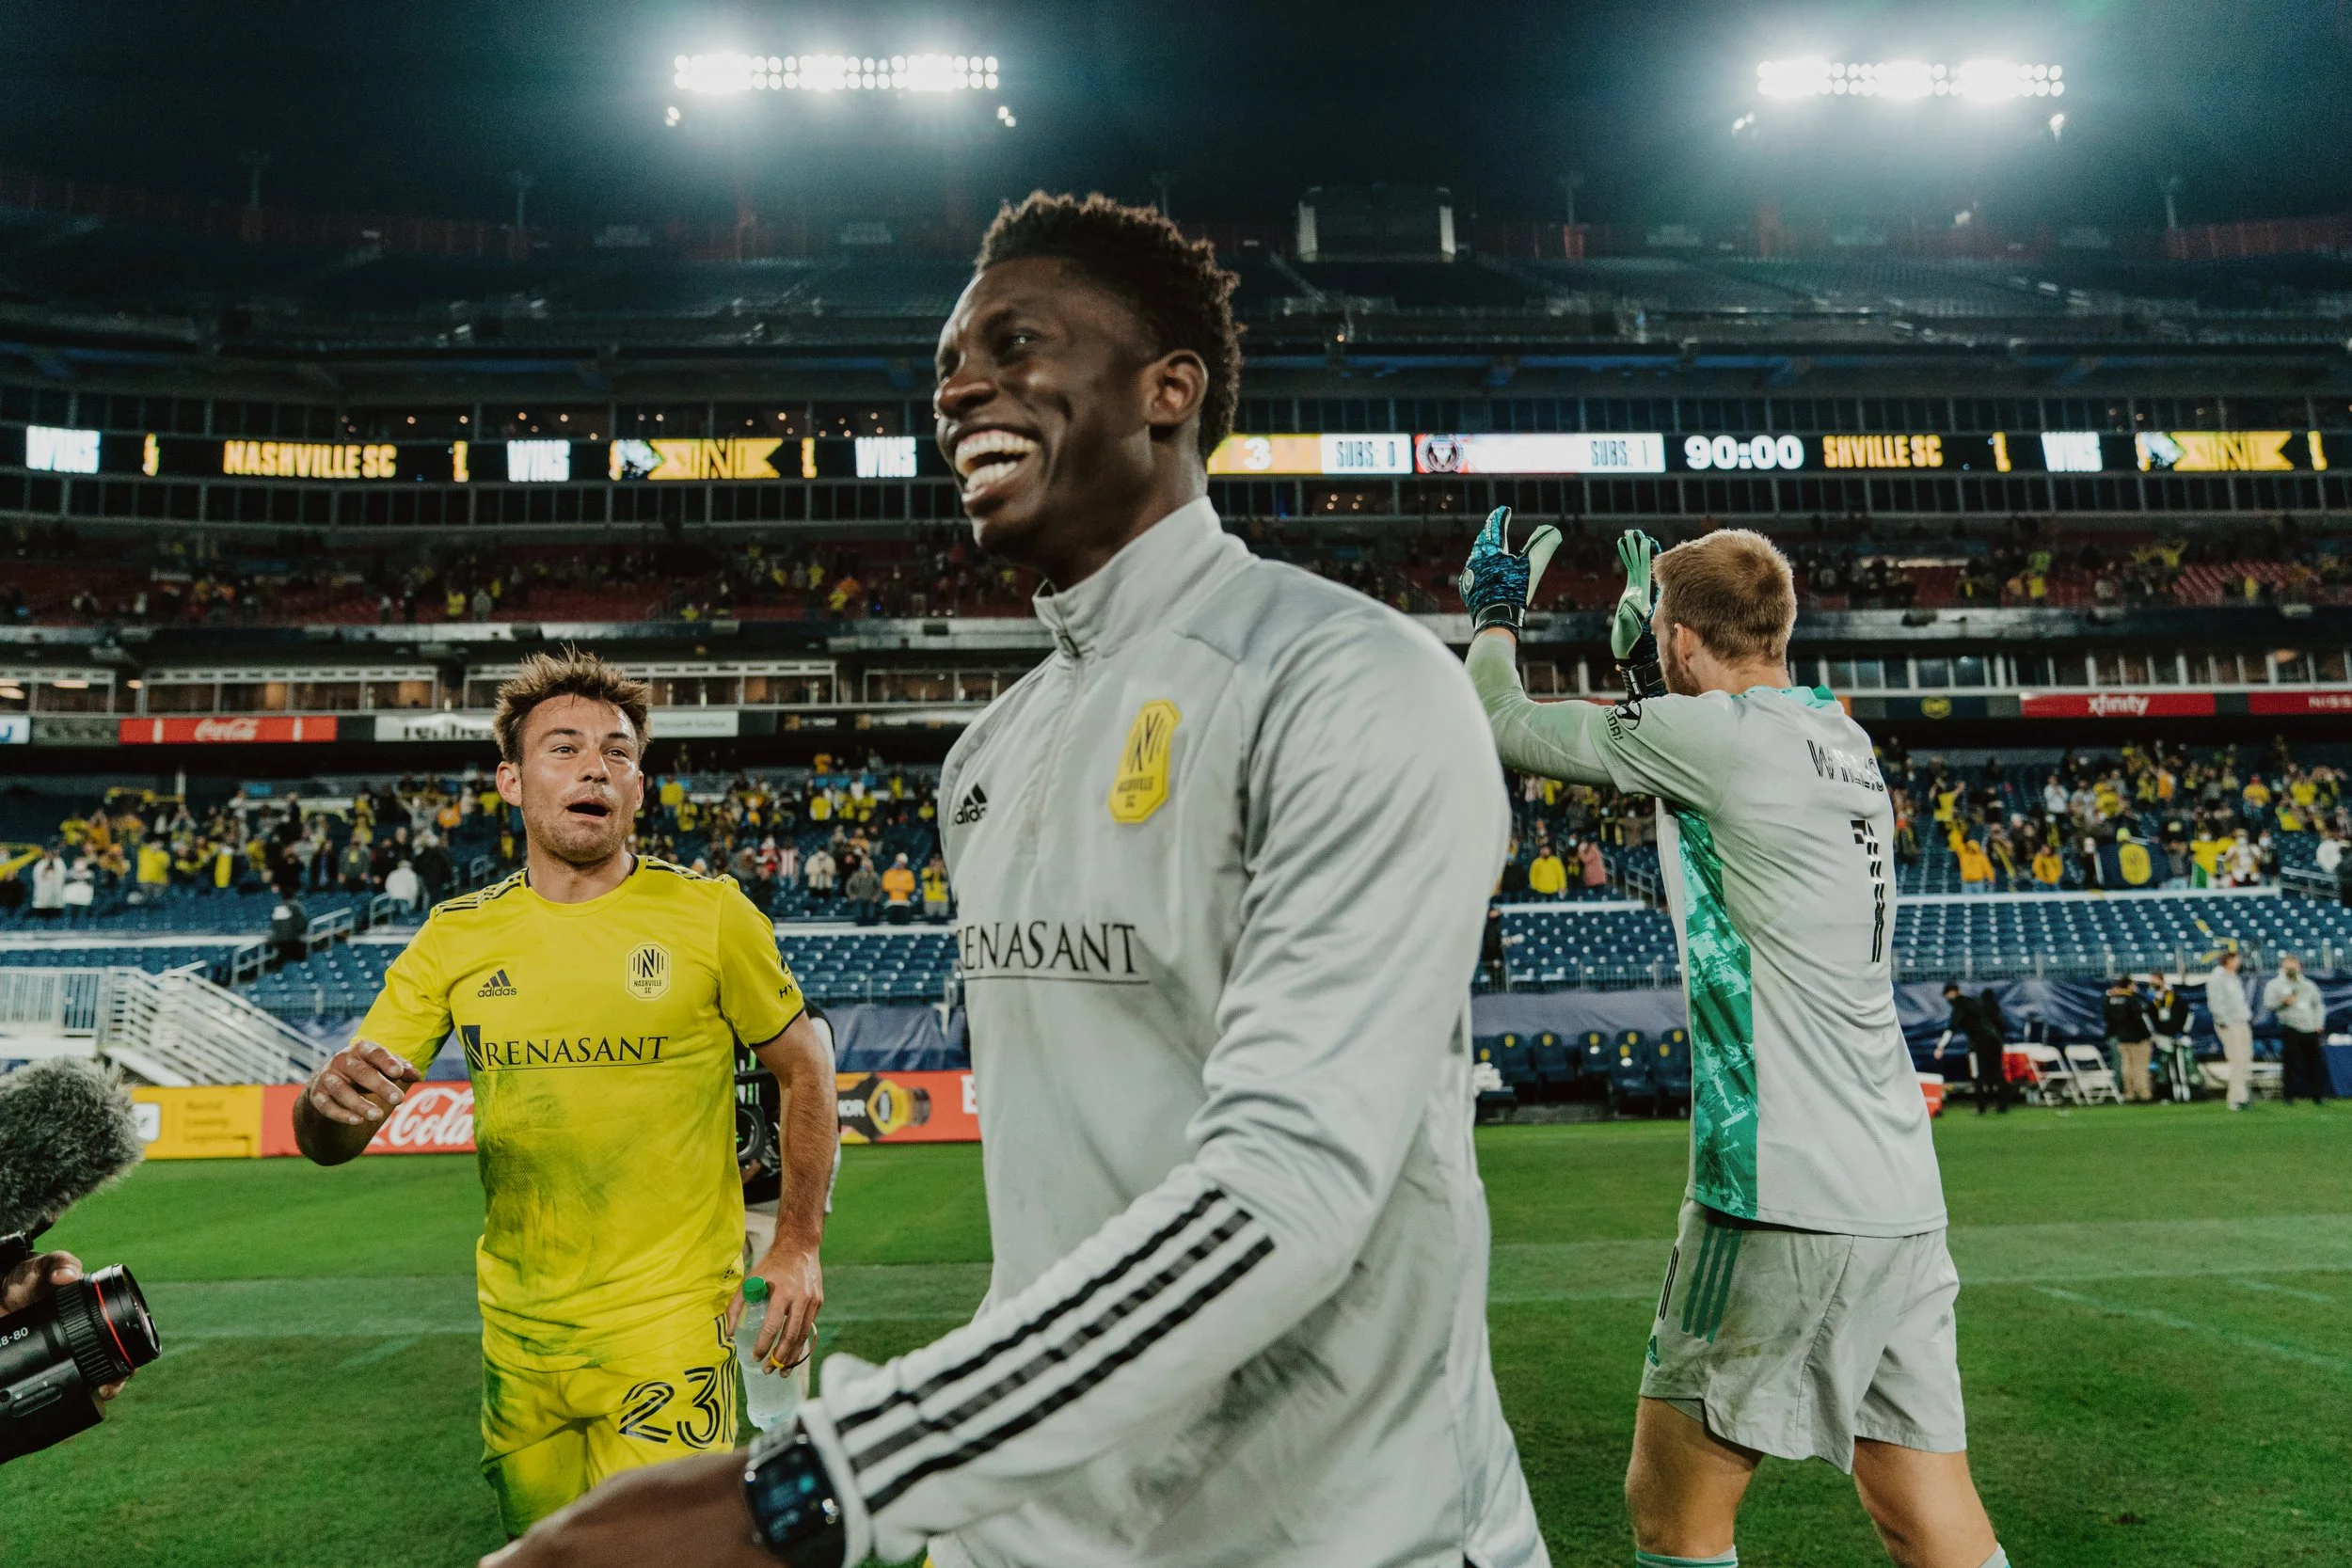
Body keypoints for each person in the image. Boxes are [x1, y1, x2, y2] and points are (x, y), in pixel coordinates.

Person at [489, 193, 1544, 1568]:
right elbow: (1061, 1215)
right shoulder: (986, 757)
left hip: (1348, 1533)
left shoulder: (1348, 681)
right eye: (946, 366)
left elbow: (1288, 1185)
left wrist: (817, 1481)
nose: (958, 389)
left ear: (1169, 389)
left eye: (1016, 343)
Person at [1461, 518, 2010, 1568]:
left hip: (1775, 1189)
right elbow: (1714, 780)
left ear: (1679, 634)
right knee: (1925, 1508)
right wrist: (1649, 674)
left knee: (1673, 1509)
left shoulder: (1716, 741)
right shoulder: (1839, 737)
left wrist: (1494, 611)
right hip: (1897, 1191)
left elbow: (1498, 718)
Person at [297, 650, 839, 1540]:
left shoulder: (711, 915)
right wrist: (324, 1105)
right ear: (511, 781)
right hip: (520, 1337)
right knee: (544, 1554)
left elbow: (805, 1066)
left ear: (638, 787)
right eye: (564, 748)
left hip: (671, 1323)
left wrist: (798, 1243)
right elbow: (333, 1133)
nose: (595, 767)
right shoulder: (454, 938)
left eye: (618, 752)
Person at [2263, 954, 2330, 1105]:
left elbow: (2318, 1005)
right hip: (2290, 1026)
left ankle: (2318, 1095)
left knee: (2314, 1062)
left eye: (2294, 966)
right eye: (2289, 966)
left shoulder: (2308, 985)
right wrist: (2282, 1002)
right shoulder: (2275, 984)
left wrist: (2319, 1023)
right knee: (2290, 1062)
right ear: (2283, 967)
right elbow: (2268, 1004)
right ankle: (2289, 1095)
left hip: (2310, 1027)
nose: (2292, 969)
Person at [2204, 949, 2256, 1110]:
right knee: (2237, 1059)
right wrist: (2224, 1021)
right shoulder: (2217, 978)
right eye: (2236, 959)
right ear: (2228, 961)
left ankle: (2244, 1094)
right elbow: (2216, 1003)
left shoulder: (2233, 977)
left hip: (2241, 1021)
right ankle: (2236, 1098)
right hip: (2230, 1024)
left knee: (2245, 1058)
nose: (2239, 962)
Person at [2104, 976, 2154, 1103]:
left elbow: (2108, 1017)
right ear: (2129, 986)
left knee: (2126, 1068)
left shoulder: (2111, 1000)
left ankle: (2129, 1093)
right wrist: (2149, 1035)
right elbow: (2140, 1018)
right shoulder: (2132, 999)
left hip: (2122, 1038)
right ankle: (2143, 1093)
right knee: (2140, 1067)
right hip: (2138, 1038)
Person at [2149, 980, 2196, 1102]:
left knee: (2184, 1066)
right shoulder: (2154, 1002)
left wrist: (2183, 1031)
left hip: (2179, 1038)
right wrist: (2157, 1035)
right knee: (2166, 1068)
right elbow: (2151, 1020)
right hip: (2164, 1039)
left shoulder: (2177, 1000)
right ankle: (2170, 1094)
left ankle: (2188, 1094)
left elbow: (2189, 1015)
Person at [879, 852, 916, 925]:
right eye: (898, 862)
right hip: (891, 902)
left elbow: (911, 887)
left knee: (905, 920)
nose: (900, 864)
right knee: (892, 920)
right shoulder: (888, 873)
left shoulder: (909, 873)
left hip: (904, 902)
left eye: (902, 863)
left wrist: (897, 887)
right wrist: (900, 887)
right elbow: (885, 886)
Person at [29, 847, 65, 921]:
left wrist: (56, 858)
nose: (50, 854)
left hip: (55, 902)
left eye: (51, 853)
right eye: (47, 852)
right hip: (41, 902)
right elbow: (38, 872)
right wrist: (46, 860)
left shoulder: (59, 865)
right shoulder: (40, 865)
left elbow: (62, 871)